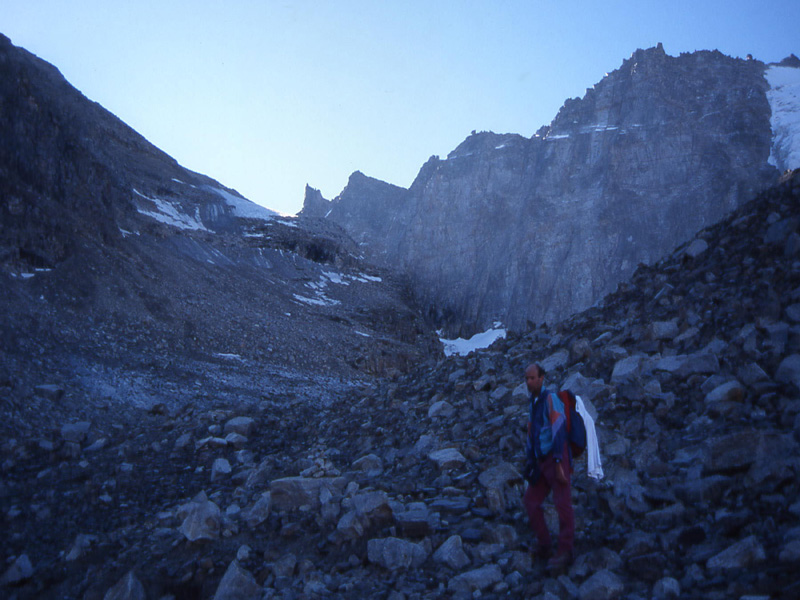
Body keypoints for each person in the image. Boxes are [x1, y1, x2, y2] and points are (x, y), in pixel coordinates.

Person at [522, 363, 575, 569]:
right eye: (526, 378)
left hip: (555, 458)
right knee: (531, 501)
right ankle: (545, 544)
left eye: (532, 378)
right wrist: (530, 460)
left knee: (562, 503)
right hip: (540, 462)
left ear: (542, 378)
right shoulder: (533, 403)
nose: (529, 382)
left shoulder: (551, 399)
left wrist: (560, 463)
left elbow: (559, 430)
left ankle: (565, 551)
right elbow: (531, 433)